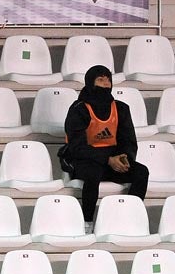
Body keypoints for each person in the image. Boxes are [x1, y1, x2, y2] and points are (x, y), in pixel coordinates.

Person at [60, 64, 149, 233]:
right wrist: (107, 159)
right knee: (93, 173)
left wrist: (124, 158)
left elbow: (129, 141)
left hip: (111, 161)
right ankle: (87, 222)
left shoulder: (121, 108)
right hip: (83, 160)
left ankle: (130, 218)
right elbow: (76, 147)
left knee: (141, 172)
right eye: (100, 80)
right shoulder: (79, 110)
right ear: (90, 83)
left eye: (108, 80)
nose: (106, 84)